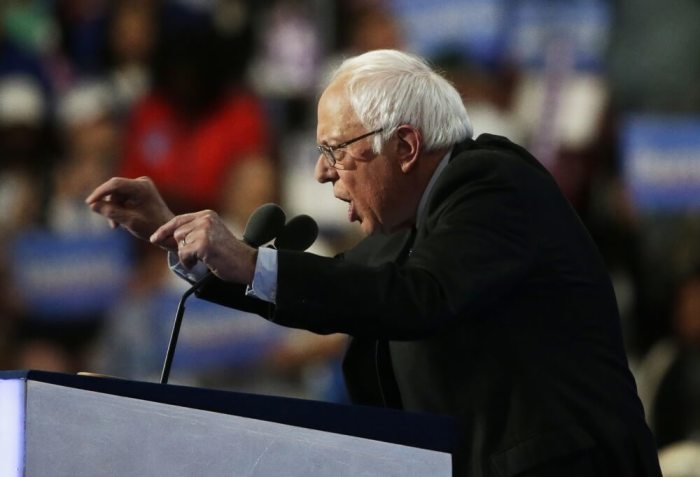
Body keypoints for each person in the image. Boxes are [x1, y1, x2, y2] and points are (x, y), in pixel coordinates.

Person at [86, 49, 661, 477]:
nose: (321, 172)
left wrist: (248, 257)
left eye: (335, 150)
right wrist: (180, 242)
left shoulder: (493, 183)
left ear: (405, 147)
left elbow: (418, 295)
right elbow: (341, 294)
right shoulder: (399, 235)